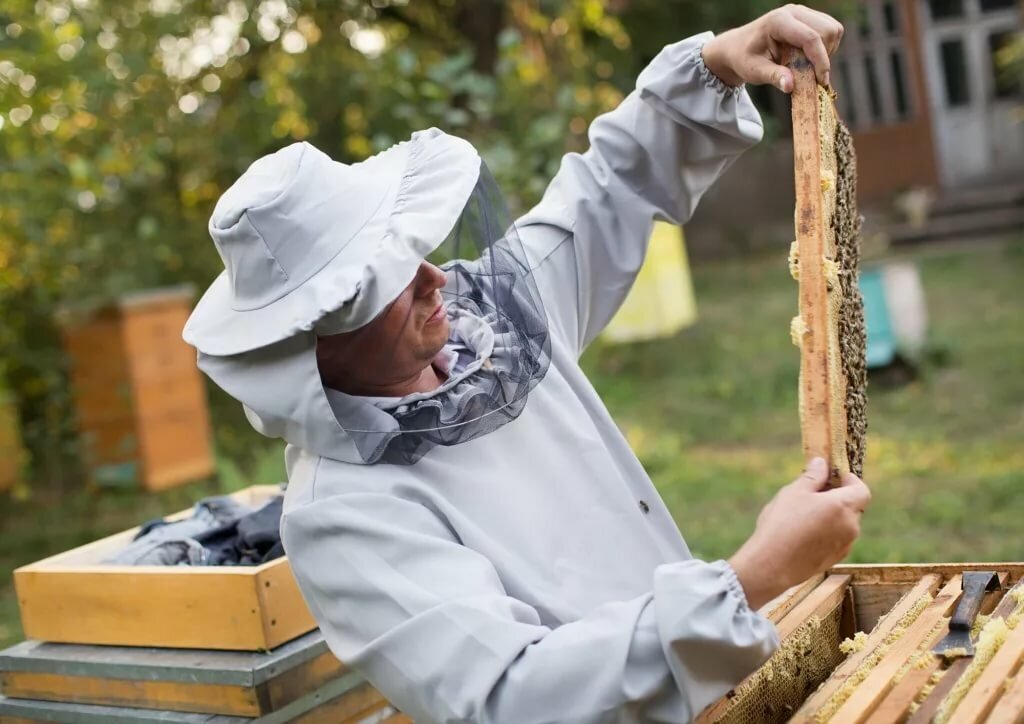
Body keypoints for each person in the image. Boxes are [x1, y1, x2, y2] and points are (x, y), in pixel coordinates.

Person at [184, 5, 870, 722]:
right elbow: (510, 696)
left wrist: (717, 64)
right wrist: (751, 578)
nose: (433, 278)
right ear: (314, 338)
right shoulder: (342, 518)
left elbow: (610, 190)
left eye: (410, 250)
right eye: (387, 282)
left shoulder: (492, 321)